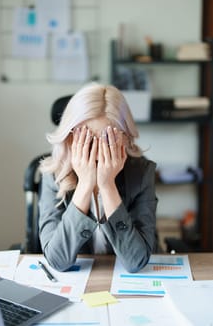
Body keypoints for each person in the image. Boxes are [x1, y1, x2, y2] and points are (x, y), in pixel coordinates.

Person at [39, 82, 158, 273]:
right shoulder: (54, 173)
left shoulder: (142, 173)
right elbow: (57, 260)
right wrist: (85, 185)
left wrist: (107, 185)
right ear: (70, 137)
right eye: (87, 139)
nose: (97, 152)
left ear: (125, 138)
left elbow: (136, 261)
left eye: (107, 140)